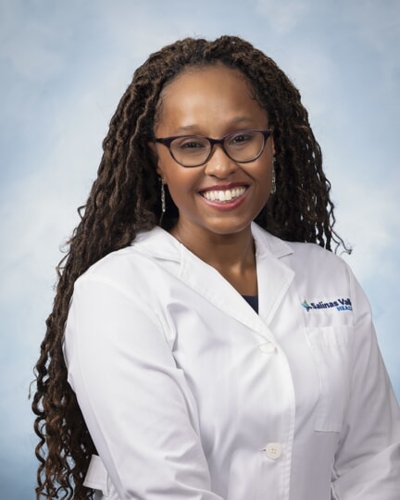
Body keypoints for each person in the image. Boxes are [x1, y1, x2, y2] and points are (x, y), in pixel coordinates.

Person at [32, 35, 400, 500]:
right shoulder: (115, 293)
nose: (222, 166)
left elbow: (375, 461)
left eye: (242, 138)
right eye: (191, 145)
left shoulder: (328, 277)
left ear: (273, 145)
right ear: (157, 160)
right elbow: (166, 490)